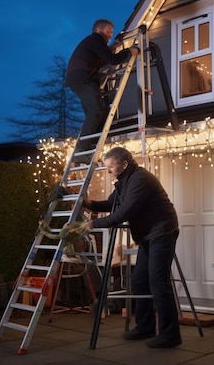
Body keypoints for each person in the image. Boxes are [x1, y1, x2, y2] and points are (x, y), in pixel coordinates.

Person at [81, 146, 182, 348]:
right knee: (139, 280)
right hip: (147, 235)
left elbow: (124, 212)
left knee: (158, 282)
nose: (108, 171)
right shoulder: (124, 182)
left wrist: (93, 224)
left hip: (162, 231)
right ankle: (145, 327)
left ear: (124, 164)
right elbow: (111, 204)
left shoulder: (139, 179)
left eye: (111, 167)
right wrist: (88, 203)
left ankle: (170, 335)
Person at [65, 19, 140, 163]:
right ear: (98, 30)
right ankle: (82, 151)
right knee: (97, 111)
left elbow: (104, 59)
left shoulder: (93, 44)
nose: (110, 35)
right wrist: (129, 51)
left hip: (80, 78)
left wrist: (113, 49)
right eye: (108, 31)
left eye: (111, 32)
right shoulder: (95, 39)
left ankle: (87, 148)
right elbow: (111, 59)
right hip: (83, 78)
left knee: (94, 114)